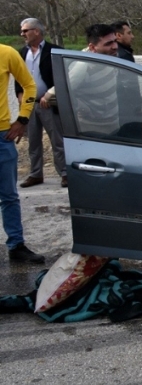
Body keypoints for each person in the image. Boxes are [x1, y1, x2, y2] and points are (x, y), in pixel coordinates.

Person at [0, 42, 41, 263]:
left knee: (8, 195)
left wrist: (23, 118)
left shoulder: (6, 53)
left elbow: (29, 85)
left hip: (2, 136)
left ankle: (16, 245)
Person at [16, 18, 66, 189]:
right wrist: (20, 95)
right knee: (33, 142)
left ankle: (64, 173)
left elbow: (62, 77)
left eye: (25, 31)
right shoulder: (22, 52)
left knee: (57, 140)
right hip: (30, 105)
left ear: (36, 31)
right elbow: (18, 76)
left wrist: (49, 96)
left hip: (49, 104)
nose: (22, 34)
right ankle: (35, 174)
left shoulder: (54, 51)